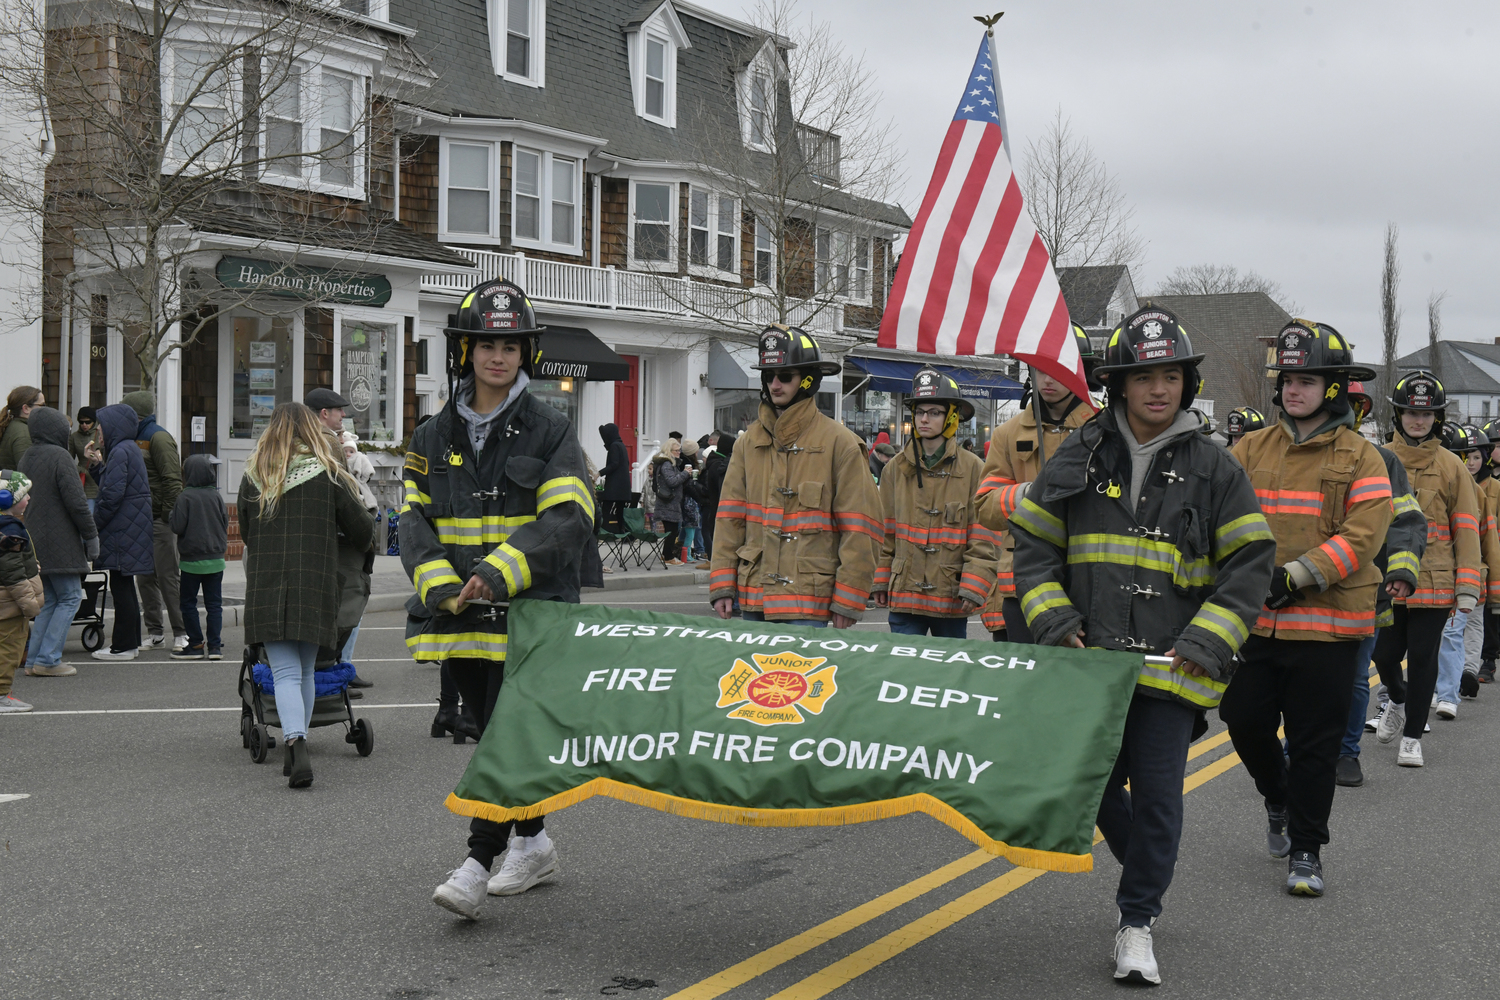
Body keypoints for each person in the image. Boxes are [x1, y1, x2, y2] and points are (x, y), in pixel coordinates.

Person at [1012, 309, 1274, 984]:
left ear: (1187, 383)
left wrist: (1206, 641)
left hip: (1172, 668)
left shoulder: (1217, 468)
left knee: (1159, 797)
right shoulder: (1078, 454)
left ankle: (1136, 920)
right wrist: (1051, 617)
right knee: (1095, 788)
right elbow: (1034, 545)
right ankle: (1149, 871)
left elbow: (1250, 564)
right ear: (1119, 384)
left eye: (1171, 375)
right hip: (1091, 666)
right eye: (1144, 376)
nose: (1158, 389)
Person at [404, 279, 593, 919]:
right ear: (466, 350)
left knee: (500, 740)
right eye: (486, 342)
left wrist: (499, 571)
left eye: (511, 344)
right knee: (493, 732)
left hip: (528, 616)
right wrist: (439, 583)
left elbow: (569, 517)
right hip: (462, 615)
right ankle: (534, 841)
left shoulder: (549, 429)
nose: (498, 355)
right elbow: (412, 521)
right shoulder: (429, 436)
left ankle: (476, 863)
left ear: (525, 354)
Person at [1225, 321, 1394, 898]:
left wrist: (1295, 576)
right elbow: (1219, 519)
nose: (1293, 389)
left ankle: (1306, 850)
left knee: (1315, 744)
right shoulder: (1249, 448)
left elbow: (1364, 535)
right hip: (1254, 624)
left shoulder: (1363, 457)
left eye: (1306, 379)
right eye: (1288, 379)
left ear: (1334, 388)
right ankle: (1277, 794)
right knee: (1242, 720)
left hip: (1328, 629)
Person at [710, 325, 882, 628]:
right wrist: (722, 585)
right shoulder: (747, 443)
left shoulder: (840, 443)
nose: (775, 384)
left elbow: (861, 528)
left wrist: (849, 598)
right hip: (755, 597)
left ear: (807, 379)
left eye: (784, 376)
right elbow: (729, 520)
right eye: (768, 376)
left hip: (810, 602)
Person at [239, 403, 373, 789]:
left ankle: (295, 744)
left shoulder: (253, 476)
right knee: (305, 670)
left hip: (267, 585)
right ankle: (302, 742)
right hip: (315, 582)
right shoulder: (328, 474)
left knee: (282, 671)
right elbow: (362, 529)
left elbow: (246, 533)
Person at [1369, 370, 1480, 768]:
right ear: (1398, 415)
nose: (1419, 421)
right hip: (1386, 578)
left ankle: (1412, 737)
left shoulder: (1452, 466)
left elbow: (1466, 527)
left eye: (1428, 414)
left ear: (1437, 418)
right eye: (1412, 414)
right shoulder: (1376, 458)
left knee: (1422, 656)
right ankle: (1396, 698)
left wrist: (1468, 587)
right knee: (1383, 655)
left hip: (1435, 579)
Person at [975, 324, 1099, 642]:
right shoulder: (1008, 434)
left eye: (1058, 368)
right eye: (1040, 369)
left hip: (1090, 581)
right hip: (1021, 587)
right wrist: (1031, 493)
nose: (1047, 379)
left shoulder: (1106, 430)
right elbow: (986, 506)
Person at [1332, 382, 1425, 789]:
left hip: (1363, 593)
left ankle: (1346, 753)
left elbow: (1407, 523)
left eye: (1352, 407)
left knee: (1353, 677)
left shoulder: (1383, 462)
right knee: (1303, 679)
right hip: (1299, 592)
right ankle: (1297, 747)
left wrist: (1402, 572)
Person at [872, 368, 997, 638]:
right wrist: (881, 580)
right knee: (901, 671)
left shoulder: (974, 469)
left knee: (948, 677)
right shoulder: (894, 469)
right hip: (904, 597)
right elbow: (884, 534)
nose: (924, 419)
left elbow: (983, 537)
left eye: (934, 412)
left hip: (950, 598)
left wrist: (974, 586)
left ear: (952, 417)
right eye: (919, 412)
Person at [19, 405, 98, 679]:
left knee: (49, 600)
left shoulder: (27, 455)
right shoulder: (60, 456)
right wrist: (91, 535)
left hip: (34, 539)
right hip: (61, 540)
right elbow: (77, 503)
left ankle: (35, 660)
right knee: (70, 597)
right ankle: (49, 659)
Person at [305, 387, 374, 690]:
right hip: (335, 541)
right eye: (339, 410)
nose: (343, 415)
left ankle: (315, 677)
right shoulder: (329, 442)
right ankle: (337, 673)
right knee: (348, 606)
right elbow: (345, 495)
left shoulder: (289, 441)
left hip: (302, 542)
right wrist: (366, 540)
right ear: (324, 414)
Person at [1430, 424, 1499, 718]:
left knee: (1462, 630)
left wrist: (1494, 587)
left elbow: (1489, 541)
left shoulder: (1488, 492)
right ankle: (1452, 680)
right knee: (1447, 632)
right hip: (1441, 572)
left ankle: (1459, 681)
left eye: (1473, 457)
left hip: (1475, 572)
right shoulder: (1439, 484)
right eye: (1461, 457)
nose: (1468, 463)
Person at [120, 390, 186, 652]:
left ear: (135, 414)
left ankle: (181, 632)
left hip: (159, 519)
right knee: (145, 578)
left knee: (168, 576)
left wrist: (166, 516)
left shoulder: (158, 437)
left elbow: (173, 480)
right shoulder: (134, 437)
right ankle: (155, 631)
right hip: (141, 519)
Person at [90, 403, 155, 661]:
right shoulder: (128, 449)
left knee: (121, 588)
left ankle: (123, 647)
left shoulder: (120, 451)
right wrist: (96, 466)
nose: (98, 431)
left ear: (113, 426)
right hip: (130, 528)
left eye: (101, 426)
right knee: (125, 586)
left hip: (121, 530)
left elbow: (111, 496)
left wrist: (92, 526)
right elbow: (115, 486)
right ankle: (131, 643)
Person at [170, 454, 228, 660]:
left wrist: (171, 514)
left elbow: (176, 526)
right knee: (214, 605)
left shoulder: (185, 497)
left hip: (191, 561)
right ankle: (215, 646)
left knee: (188, 603)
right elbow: (224, 522)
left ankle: (195, 645)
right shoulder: (216, 496)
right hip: (215, 558)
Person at [0, 473, 42, 713]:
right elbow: (12, 573)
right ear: (7, 500)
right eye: (23, 494)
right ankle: (1, 694)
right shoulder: (9, 528)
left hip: (6, 600)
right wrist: (30, 605)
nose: (28, 498)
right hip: (10, 603)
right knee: (8, 649)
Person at [1478, 417, 1500, 684]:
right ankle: (1488, 659)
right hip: (1488, 552)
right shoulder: (1479, 480)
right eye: (1495, 445)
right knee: (1489, 610)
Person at [649, 438, 689, 565]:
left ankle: (666, 554)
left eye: (679, 450)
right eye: (676, 450)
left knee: (672, 530)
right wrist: (685, 474)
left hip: (670, 501)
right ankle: (668, 557)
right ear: (669, 450)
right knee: (672, 530)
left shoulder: (670, 463)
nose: (679, 453)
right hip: (668, 502)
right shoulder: (667, 464)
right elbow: (672, 481)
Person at [699, 429, 732, 560]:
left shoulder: (714, 463)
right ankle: (713, 559)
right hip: (718, 509)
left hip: (715, 508)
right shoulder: (719, 466)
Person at [598, 423, 631, 532]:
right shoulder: (621, 445)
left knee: (606, 510)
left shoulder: (614, 446)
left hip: (614, 487)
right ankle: (622, 532)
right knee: (620, 512)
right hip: (623, 487)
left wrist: (599, 473)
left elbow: (613, 464)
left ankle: (602, 531)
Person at [0, 386, 42, 472]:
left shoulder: (10, 425)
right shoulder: (24, 433)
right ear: (26, 408)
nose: (44, 409)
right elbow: (29, 472)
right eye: (41, 405)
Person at [70, 407, 103, 512]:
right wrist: (80, 470)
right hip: (85, 481)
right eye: (81, 422)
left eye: (87, 422)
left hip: (101, 478)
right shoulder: (74, 437)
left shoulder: (100, 434)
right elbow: (68, 460)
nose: (84, 425)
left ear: (94, 421)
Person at [678, 438, 704, 563]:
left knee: (685, 530)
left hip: (683, 501)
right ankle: (686, 554)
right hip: (690, 502)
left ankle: (680, 551)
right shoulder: (689, 466)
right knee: (691, 531)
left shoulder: (680, 463)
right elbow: (690, 485)